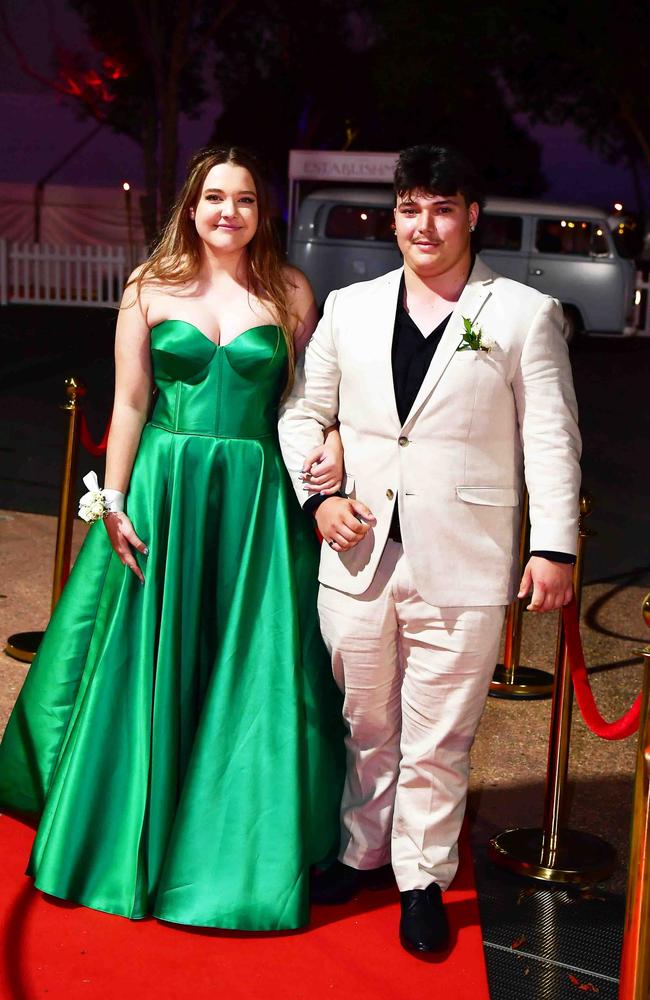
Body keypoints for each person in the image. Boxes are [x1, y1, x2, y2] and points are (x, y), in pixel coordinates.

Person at [0, 145, 345, 931]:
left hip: (257, 502)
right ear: (191, 208)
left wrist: (336, 446)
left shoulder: (291, 291)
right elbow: (127, 402)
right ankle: (126, 832)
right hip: (164, 490)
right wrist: (112, 501)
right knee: (141, 660)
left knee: (255, 668)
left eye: (246, 199)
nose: (230, 211)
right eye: (215, 197)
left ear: (264, 212)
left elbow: (309, 403)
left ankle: (241, 846)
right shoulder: (148, 287)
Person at [278, 144, 581, 954]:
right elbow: (304, 414)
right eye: (410, 208)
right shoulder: (351, 307)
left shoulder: (522, 314)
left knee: (440, 734)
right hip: (359, 552)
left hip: (469, 558)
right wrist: (320, 497)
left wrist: (554, 546)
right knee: (365, 720)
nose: (424, 224)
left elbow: (551, 438)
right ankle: (362, 851)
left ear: (472, 215)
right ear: (395, 216)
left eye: (443, 208)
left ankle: (422, 877)